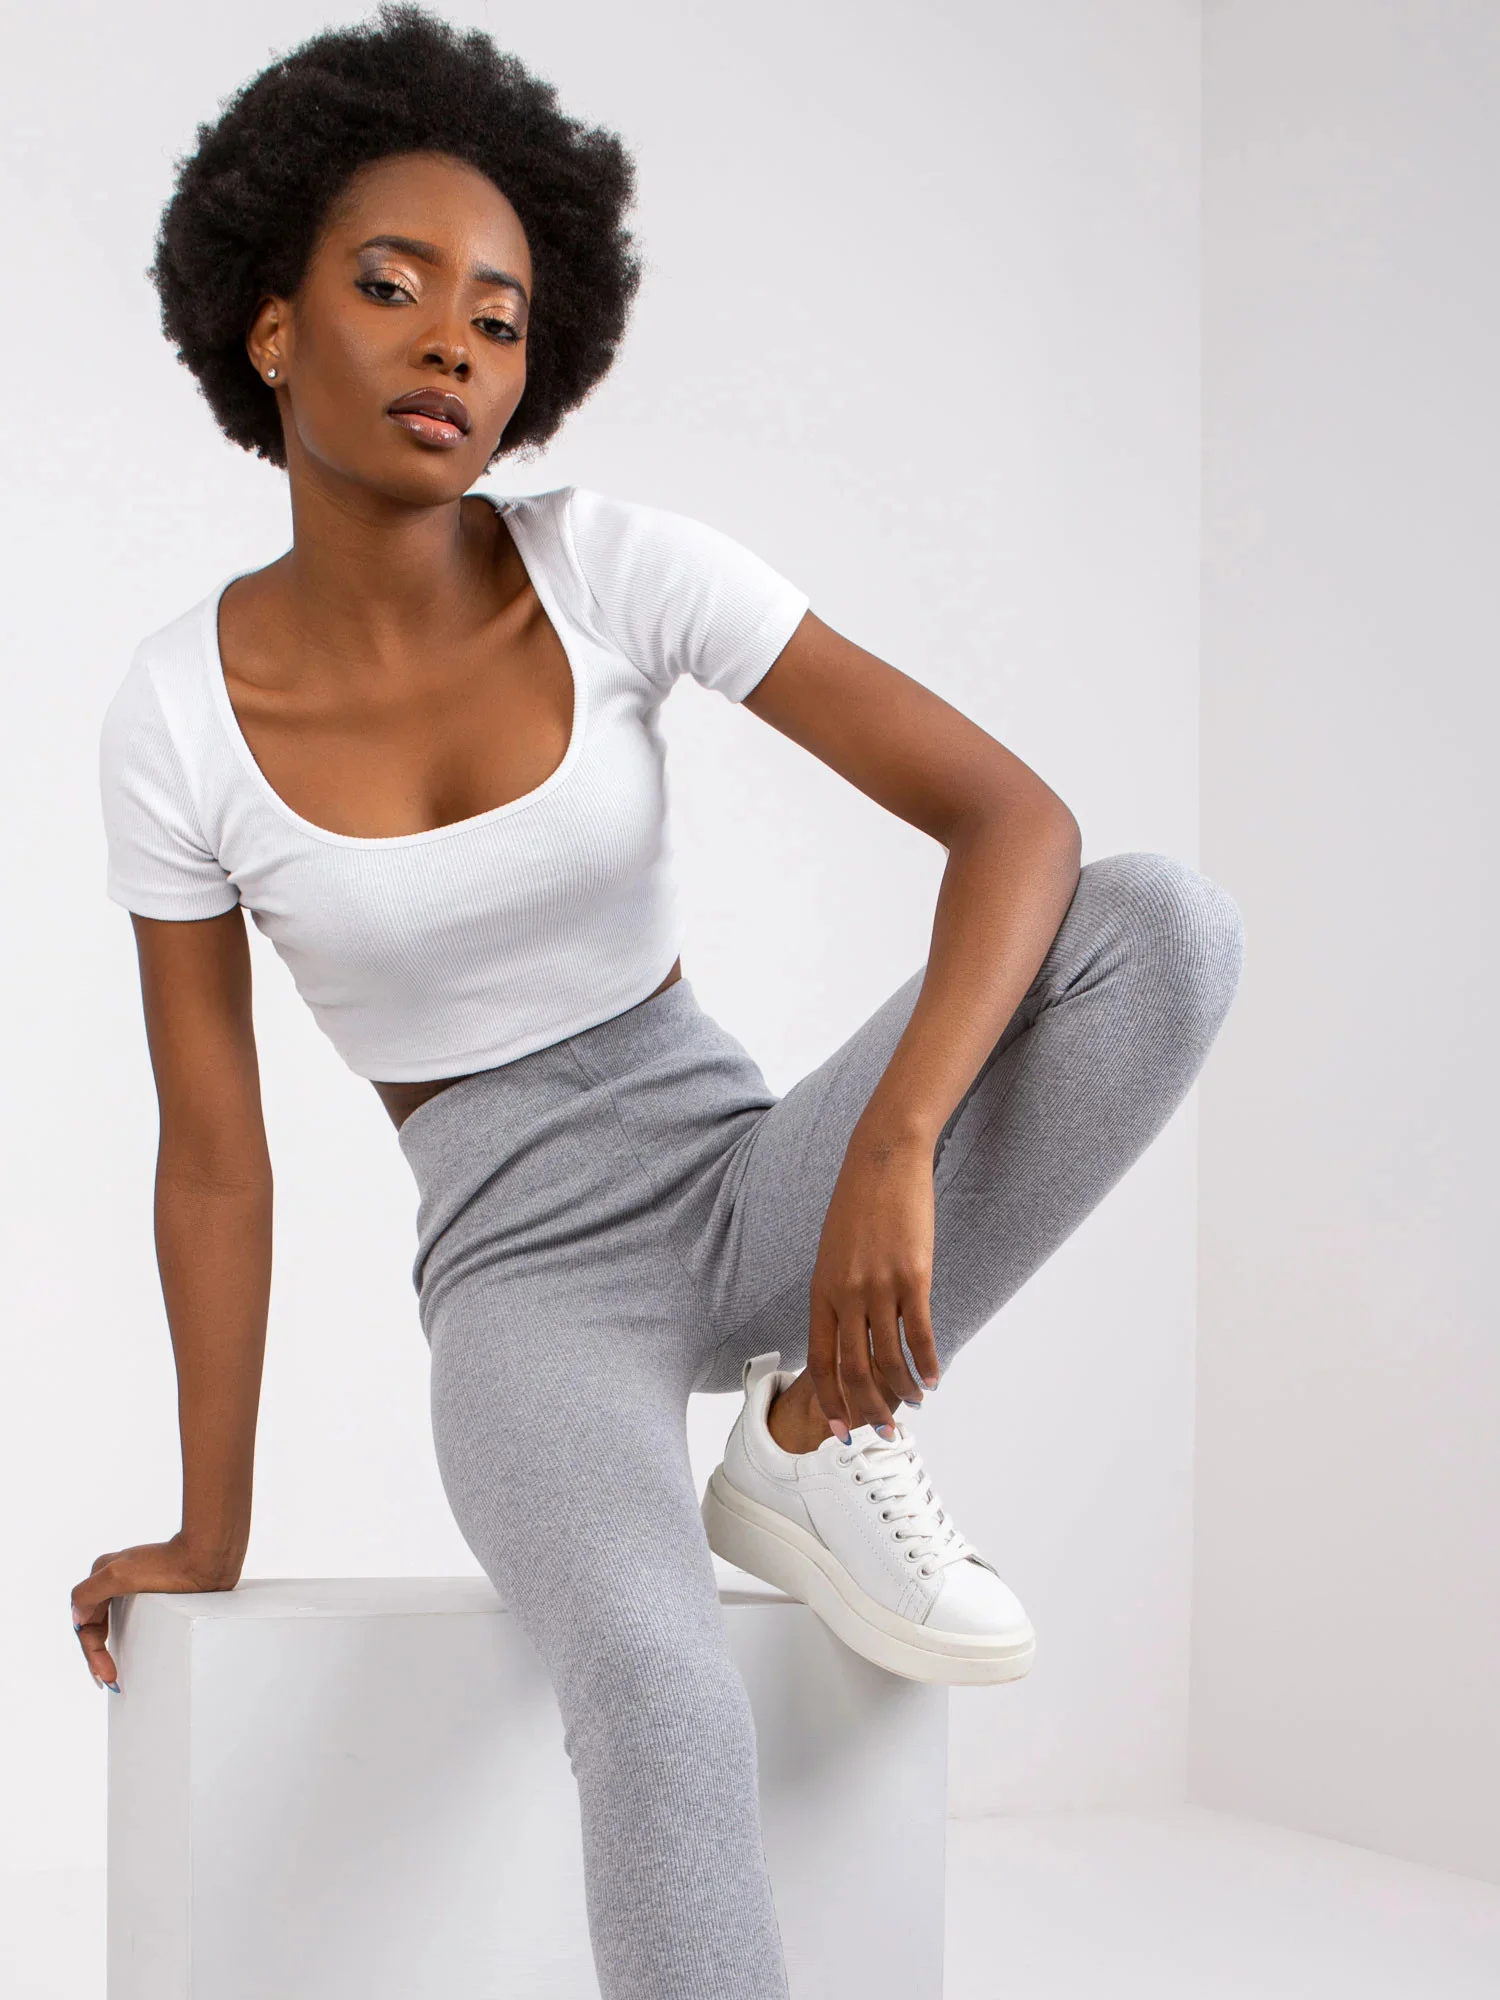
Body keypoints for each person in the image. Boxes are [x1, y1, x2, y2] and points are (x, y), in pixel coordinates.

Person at [70, 8, 1244, 1998]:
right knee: (656, 1686)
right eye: (393, 287)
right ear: (269, 327)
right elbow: (215, 1158)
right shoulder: (173, 718)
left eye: (502, 317)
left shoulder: (612, 567)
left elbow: (1017, 824)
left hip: (750, 1175)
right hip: (525, 1284)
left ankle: (806, 1431)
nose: (456, 344)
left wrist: (889, 1147)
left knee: (1164, 929)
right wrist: (207, 1529)